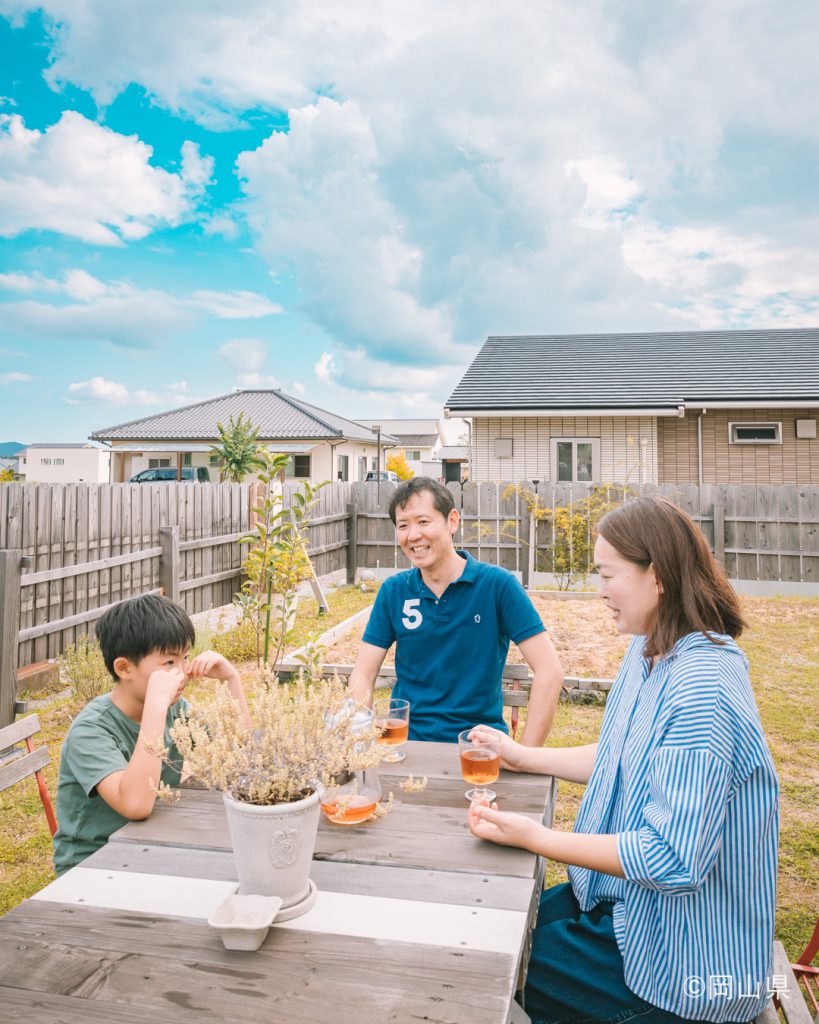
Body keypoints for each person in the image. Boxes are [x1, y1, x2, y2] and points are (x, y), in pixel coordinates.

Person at [468, 496, 779, 1024]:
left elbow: (673, 857)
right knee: (496, 921)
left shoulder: (703, 688)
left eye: (607, 574)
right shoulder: (649, 647)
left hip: (683, 963)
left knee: (492, 969)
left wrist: (535, 836)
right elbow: (621, 754)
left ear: (655, 575)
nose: (600, 591)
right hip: (631, 907)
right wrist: (524, 756)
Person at [348, 476, 564, 744]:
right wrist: (360, 737)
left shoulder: (497, 585)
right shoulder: (394, 591)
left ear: (452, 521)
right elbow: (362, 674)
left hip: (477, 748)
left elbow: (550, 671)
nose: (413, 535)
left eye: (423, 522)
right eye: (403, 525)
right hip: (406, 745)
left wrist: (526, 759)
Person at [53, 593, 251, 876]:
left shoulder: (174, 709)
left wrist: (232, 679)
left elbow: (238, 756)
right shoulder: (91, 730)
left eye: (185, 658)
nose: (182, 673)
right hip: (93, 867)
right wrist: (156, 708)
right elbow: (136, 805)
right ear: (124, 668)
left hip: (152, 846)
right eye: (169, 663)